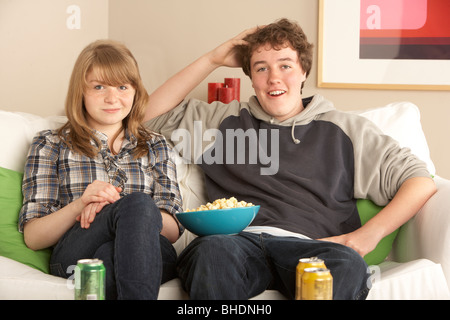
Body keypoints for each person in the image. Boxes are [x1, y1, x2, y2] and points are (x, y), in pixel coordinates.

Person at [144, 18, 437, 299]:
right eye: (261, 68)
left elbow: (420, 181)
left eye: (285, 65)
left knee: (346, 265)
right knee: (211, 253)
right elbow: (146, 117)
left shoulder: (346, 130)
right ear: (250, 77)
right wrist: (212, 60)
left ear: (303, 72)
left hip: (314, 247)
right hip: (233, 243)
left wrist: (366, 236)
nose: (274, 78)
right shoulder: (223, 122)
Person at [18, 40, 183, 300]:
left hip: (152, 251)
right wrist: (81, 204)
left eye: (122, 86)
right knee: (136, 206)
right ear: (80, 92)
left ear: (135, 91)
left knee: (114, 246)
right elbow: (34, 237)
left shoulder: (155, 145)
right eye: (98, 87)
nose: (112, 98)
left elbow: (173, 230)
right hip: (76, 251)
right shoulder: (50, 144)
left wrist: (123, 208)